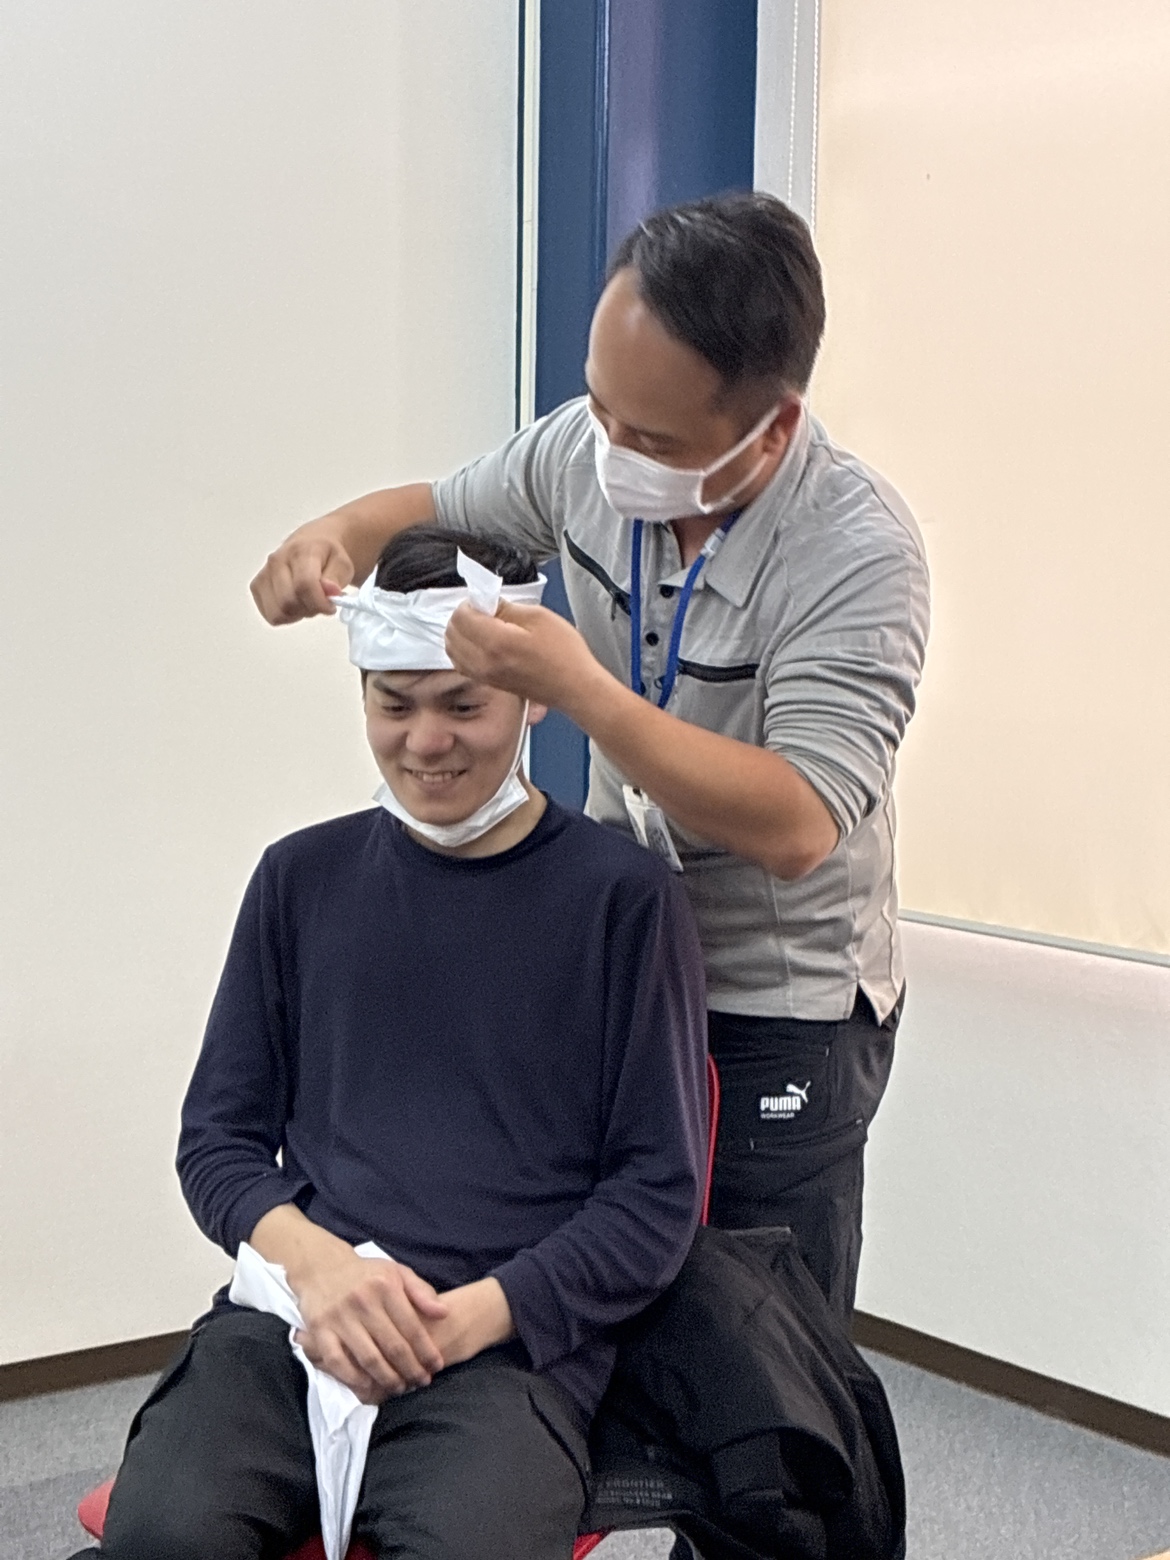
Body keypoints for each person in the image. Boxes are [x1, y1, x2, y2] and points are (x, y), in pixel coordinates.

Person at [250, 192, 931, 1321]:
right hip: (619, 951)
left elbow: (798, 822)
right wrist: (333, 534)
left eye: (652, 439)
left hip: (779, 995)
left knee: (756, 1336)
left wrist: (581, 691)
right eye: (603, 407)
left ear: (771, 428)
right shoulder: (586, 449)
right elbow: (434, 503)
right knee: (607, 1282)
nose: (612, 452)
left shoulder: (856, 555)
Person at [84, 527, 708, 1560]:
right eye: (394, 703)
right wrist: (319, 1269)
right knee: (162, 1537)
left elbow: (653, 1199)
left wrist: (467, 1320)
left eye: (462, 705)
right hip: (292, 1321)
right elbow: (218, 1143)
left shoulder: (624, 903)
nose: (425, 741)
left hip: (503, 1350)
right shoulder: (299, 880)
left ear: (532, 696)